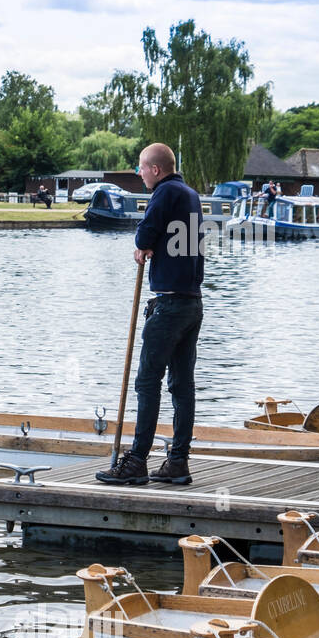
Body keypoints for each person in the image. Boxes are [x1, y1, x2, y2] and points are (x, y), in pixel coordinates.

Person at [97, 142, 204, 487]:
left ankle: (137, 461)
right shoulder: (189, 194)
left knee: (147, 382)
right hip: (191, 301)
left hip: (170, 304)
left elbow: (146, 232)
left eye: (141, 168)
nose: (139, 173)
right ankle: (177, 462)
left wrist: (142, 246)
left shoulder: (162, 193)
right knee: (181, 384)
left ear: (155, 169)